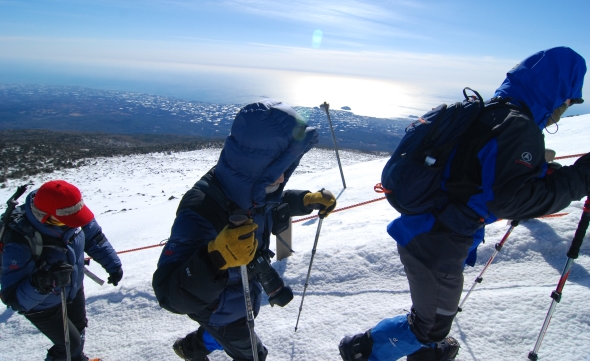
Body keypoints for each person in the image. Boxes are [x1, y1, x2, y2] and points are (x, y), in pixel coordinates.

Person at [339, 46, 590, 361]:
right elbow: (509, 200)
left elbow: (477, 174)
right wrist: (579, 179)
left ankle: (424, 351)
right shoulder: (517, 126)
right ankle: (363, 352)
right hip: (438, 242)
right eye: (568, 100)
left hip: (427, 229)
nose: (565, 109)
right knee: (429, 326)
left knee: (433, 313)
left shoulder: (491, 113)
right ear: (554, 93)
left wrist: (539, 171)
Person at [152, 100, 337, 361]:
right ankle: (197, 346)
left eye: (284, 169)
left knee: (226, 335)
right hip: (219, 308)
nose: (283, 178)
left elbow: (266, 209)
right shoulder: (203, 208)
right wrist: (216, 257)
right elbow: (169, 295)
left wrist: (305, 200)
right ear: (255, 168)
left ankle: (191, 348)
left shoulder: (250, 190)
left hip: (241, 296)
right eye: (276, 171)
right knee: (253, 355)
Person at [0, 180, 123, 361]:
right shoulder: (18, 238)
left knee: (79, 329)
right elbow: (15, 299)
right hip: (42, 303)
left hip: (72, 287)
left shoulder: (70, 210)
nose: (74, 224)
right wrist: (43, 282)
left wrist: (113, 265)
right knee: (68, 345)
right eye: (66, 221)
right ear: (45, 216)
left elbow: (94, 238)